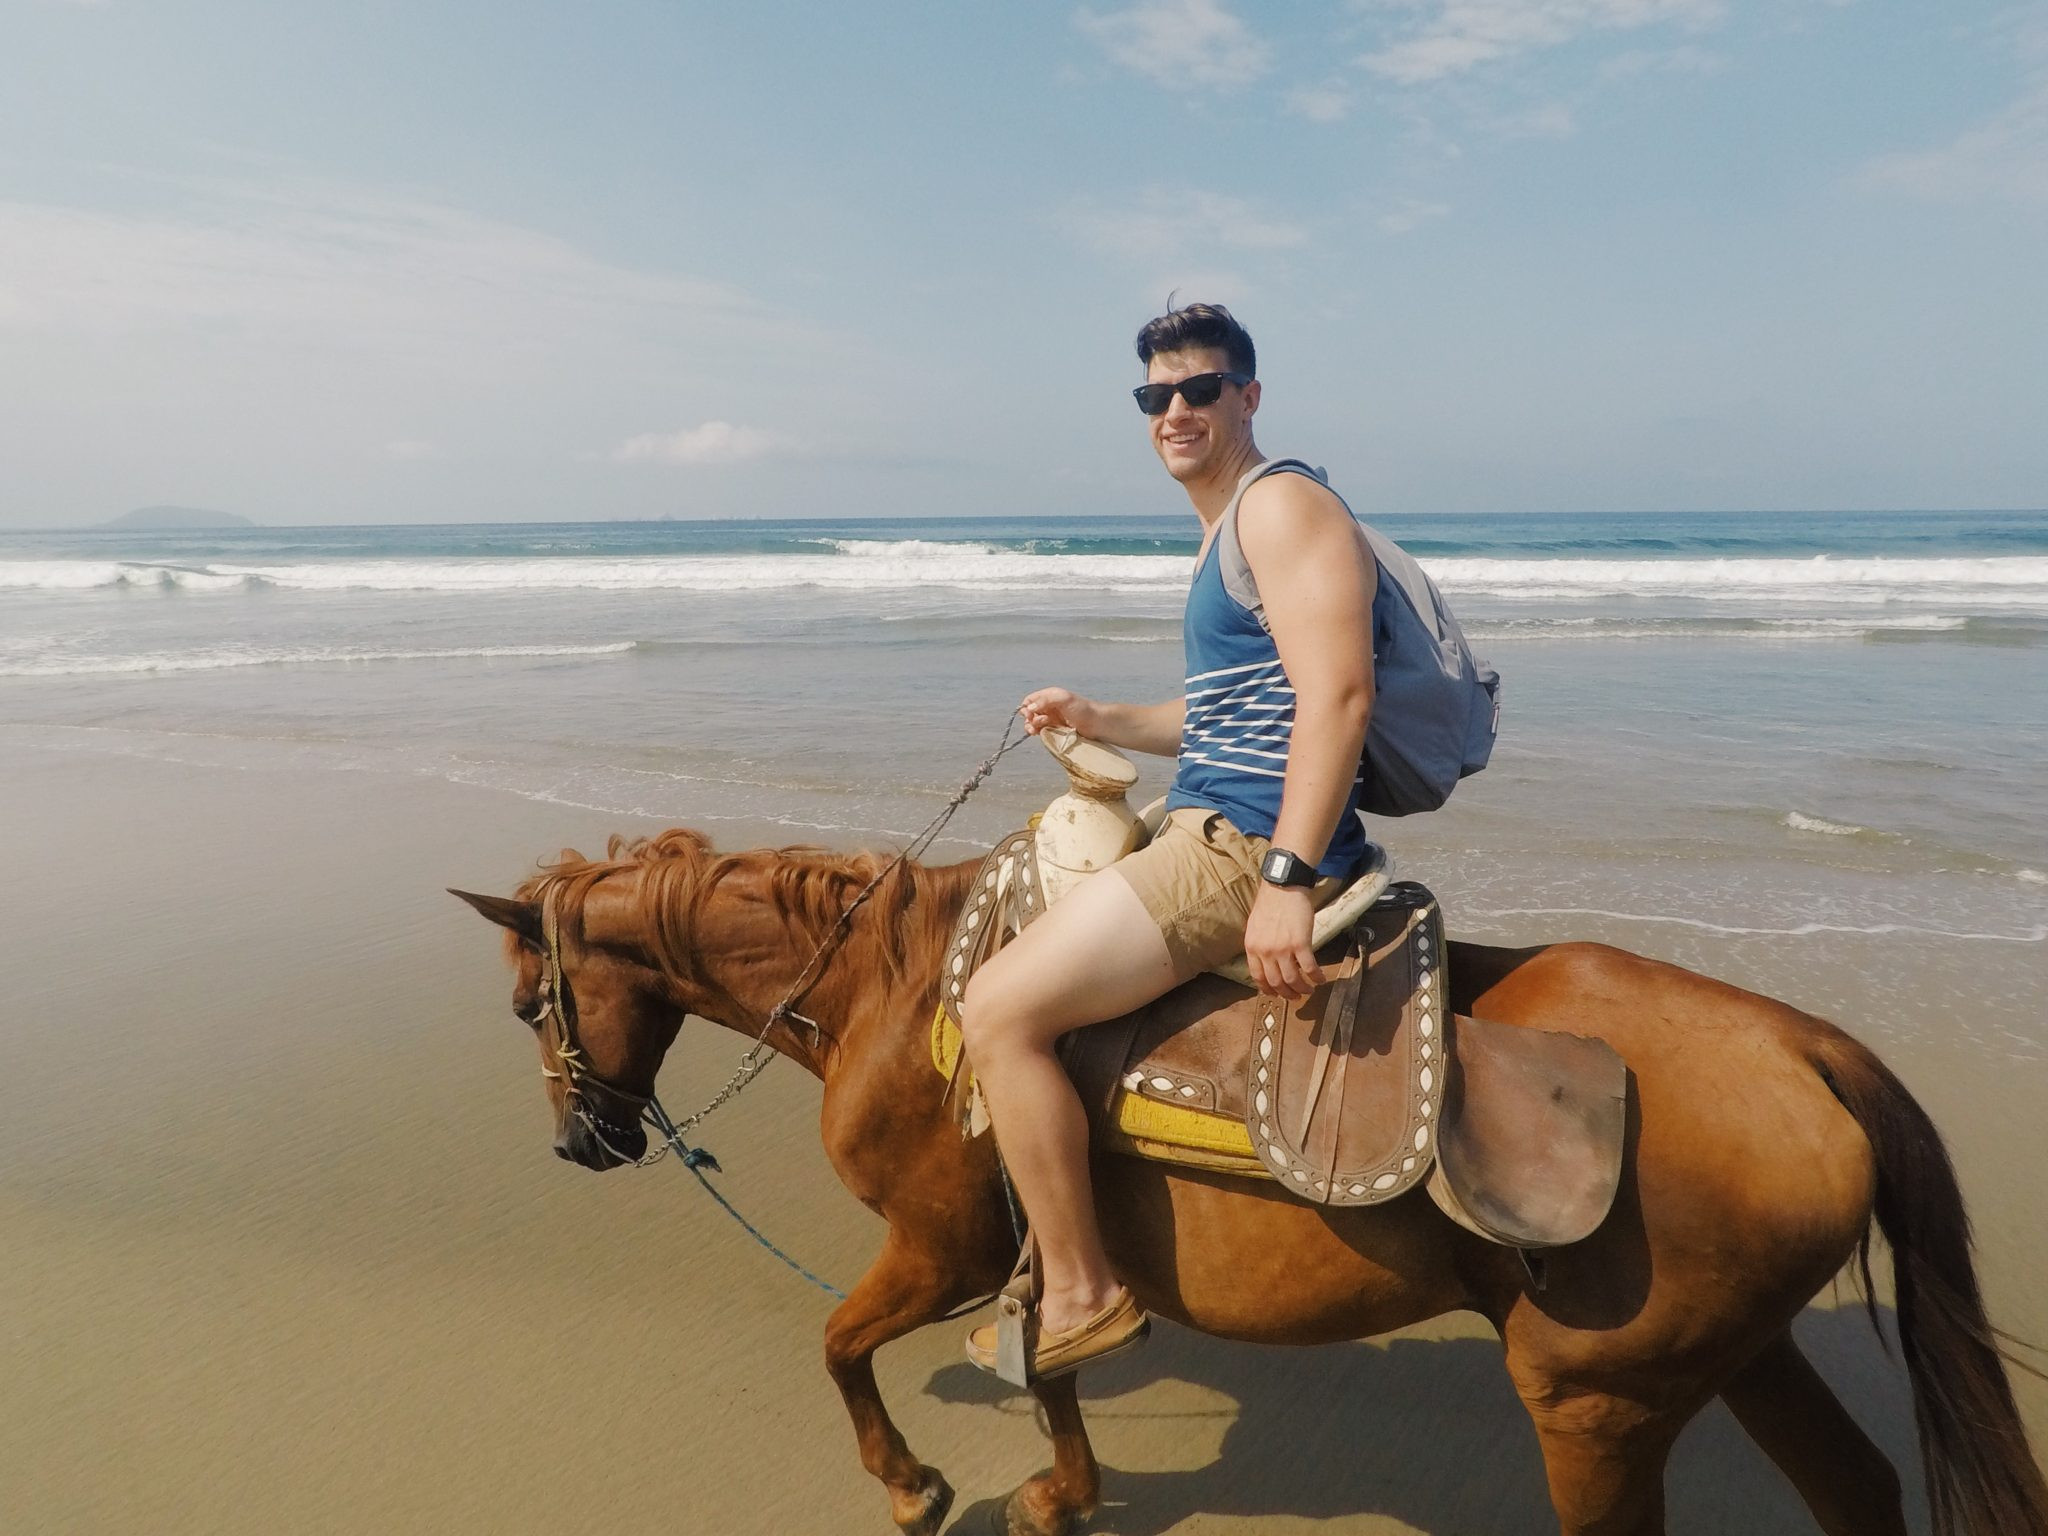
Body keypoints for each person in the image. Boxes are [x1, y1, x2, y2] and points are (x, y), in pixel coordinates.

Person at [961, 302, 1378, 1379]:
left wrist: (1282, 877)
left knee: (995, 1011)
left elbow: (1337, 698)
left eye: (1200, 390)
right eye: (1156, 396)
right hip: (1213, 811)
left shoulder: (1279, 505)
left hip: (1239, 842)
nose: (1176, 411)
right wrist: (1102, 721)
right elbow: (1234, 716)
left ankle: (1081, 1291)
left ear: (1248, 395)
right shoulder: (1225, 524)